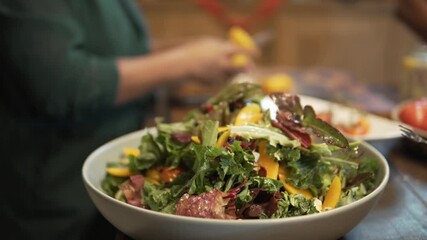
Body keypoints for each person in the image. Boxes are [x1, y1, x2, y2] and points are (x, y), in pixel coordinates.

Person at [0, 1, 258, 240]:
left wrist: (192, 51)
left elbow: (122, 50)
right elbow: (60, 85)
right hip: (54, 198)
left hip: (107, 194)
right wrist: (185, 63)